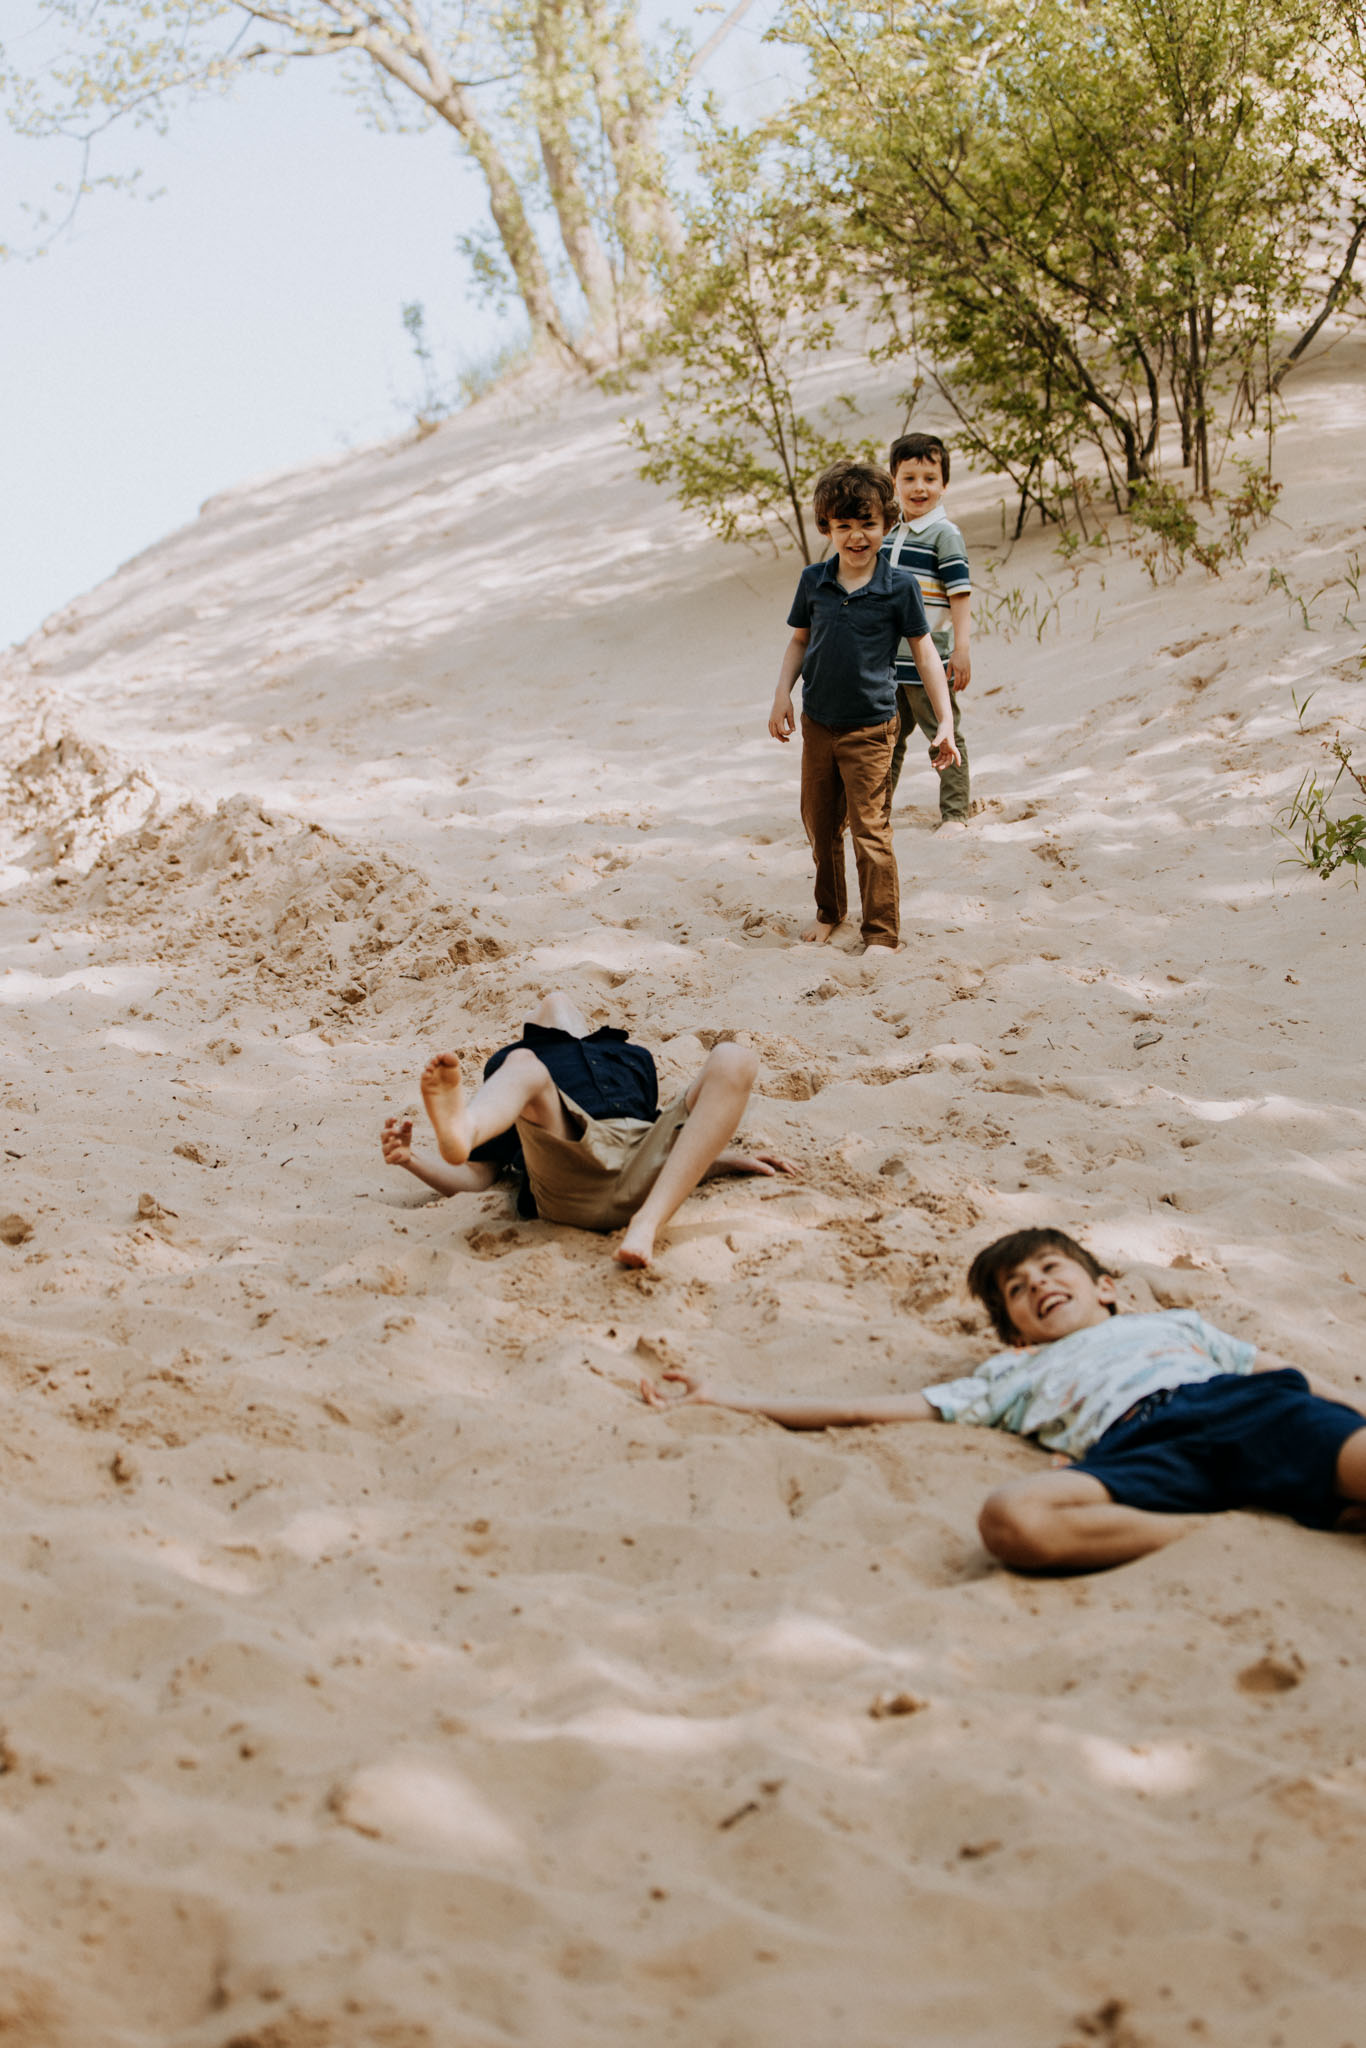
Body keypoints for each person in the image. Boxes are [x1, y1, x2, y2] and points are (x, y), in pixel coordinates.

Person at [640, 1226, 1366, 1571]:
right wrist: (724, 1397)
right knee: (1011, 1520)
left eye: (1051, 1269)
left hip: (1242, 1408)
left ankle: (1326, 1492)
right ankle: (1223, 1532)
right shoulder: (1008, 1379)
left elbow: (1291, 1376)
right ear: (1015, 1335)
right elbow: (865, 1410)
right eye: (1017, 1291)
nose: (1039, 1285)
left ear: (1104, 1285)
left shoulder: (1176, 1324)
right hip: (1139, 1447)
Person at [381, 990, 796, 1268]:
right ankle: (464, 1129)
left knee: (734, 1057)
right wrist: (412, 1160)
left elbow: (660, 1141)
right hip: (567, 1166)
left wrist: (719, 1158)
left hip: (644, 1173)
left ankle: (647, 1224)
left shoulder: (632, 1056)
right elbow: (479, 1176)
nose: (555, 1006)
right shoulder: (517, 1057)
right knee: (523, 1067)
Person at [768, 459, 958, 955]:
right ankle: (830, 912)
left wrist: (947, 723)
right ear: (826, 527)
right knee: (820, 822)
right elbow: (798, 643)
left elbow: (925, 653)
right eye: (843, 525)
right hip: (817, 725)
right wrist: (781, 694)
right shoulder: (814, 581)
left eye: (867, 524)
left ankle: (881, 933)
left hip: (872, 729)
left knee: (870, 831)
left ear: (887, 524)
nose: (856, 536)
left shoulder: (899, 588)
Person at [881, 433, 973, 832]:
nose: (920, 487)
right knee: (886, 741)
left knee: (943, 733)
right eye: (909, 478)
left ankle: (955, 813)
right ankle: (876, 812)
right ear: (894, 481)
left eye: (930, 478)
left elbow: (959, 594)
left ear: (944, 484)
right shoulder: (886, 532)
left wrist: (962, 648)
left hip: (928, 661)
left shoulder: (944, 534)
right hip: (887, 662)